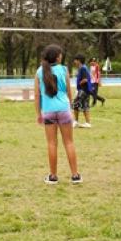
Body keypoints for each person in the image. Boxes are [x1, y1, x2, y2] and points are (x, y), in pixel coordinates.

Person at [34, 44, 81, 184]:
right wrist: (71, 108)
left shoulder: (39, 72)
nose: (61, 56)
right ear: (56, 57)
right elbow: (68, 91)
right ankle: (75, 175)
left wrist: (38, 113)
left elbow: (37, 95)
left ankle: (53, 176)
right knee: (69, 142)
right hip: (63, 109)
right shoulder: (64, 70)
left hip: (48, 111)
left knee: (52, 143)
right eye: (60, 54)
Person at [72, 54, 92, 128]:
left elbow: (85, 79)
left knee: (75, 104)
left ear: (79, 61)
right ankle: (88, 123)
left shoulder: (82, 68)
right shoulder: (84, 68)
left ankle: (76, 122)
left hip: (83, 90)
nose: (74, 61)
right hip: (86, 90)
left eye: (75, 60)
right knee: (85, 105)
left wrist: (79, 84)